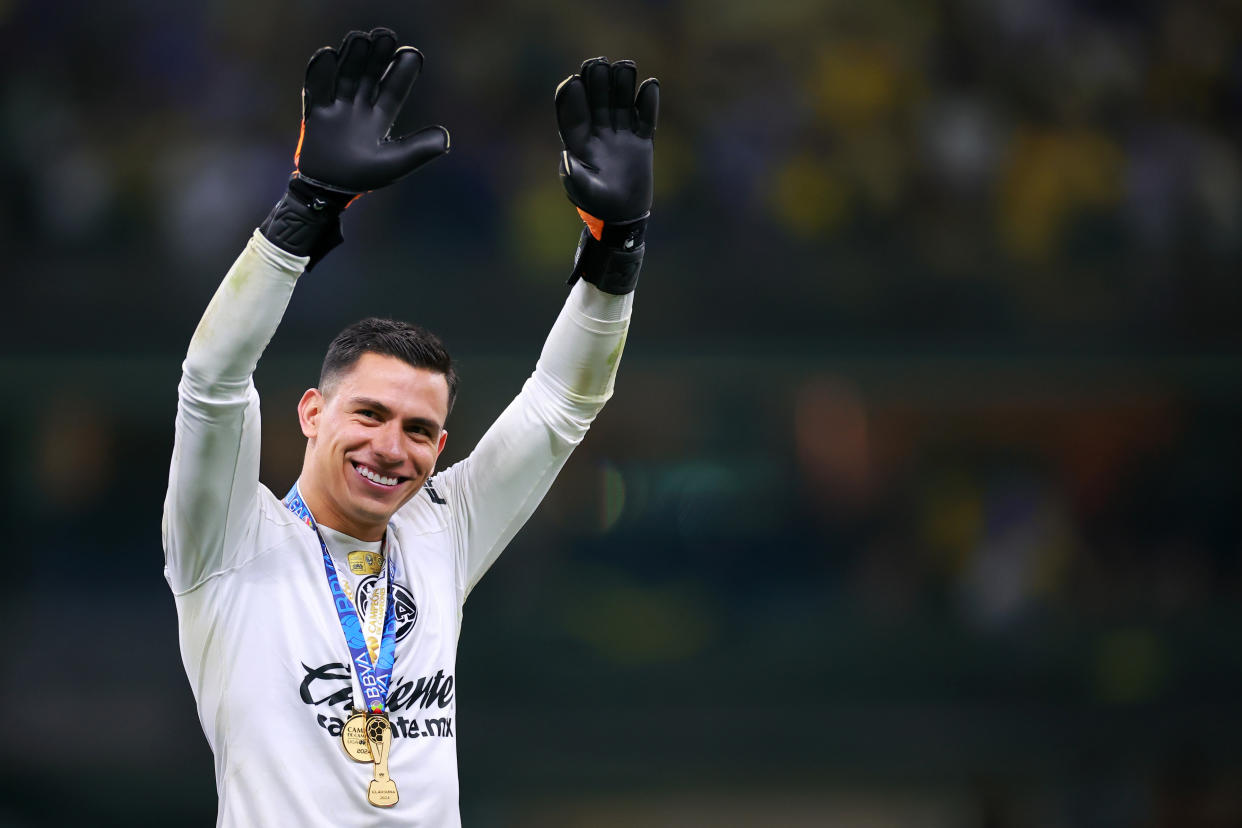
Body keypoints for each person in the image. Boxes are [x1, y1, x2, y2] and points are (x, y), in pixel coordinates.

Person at [161, 28, 658, 826]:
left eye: (420, 430)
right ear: (312, 413)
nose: (392, 447)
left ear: (440, 450)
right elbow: (212, 381)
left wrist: (617, 251)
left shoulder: (440, 532)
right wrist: (307, 209)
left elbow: (564, 402)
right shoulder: (227, 541)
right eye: (370, 413)